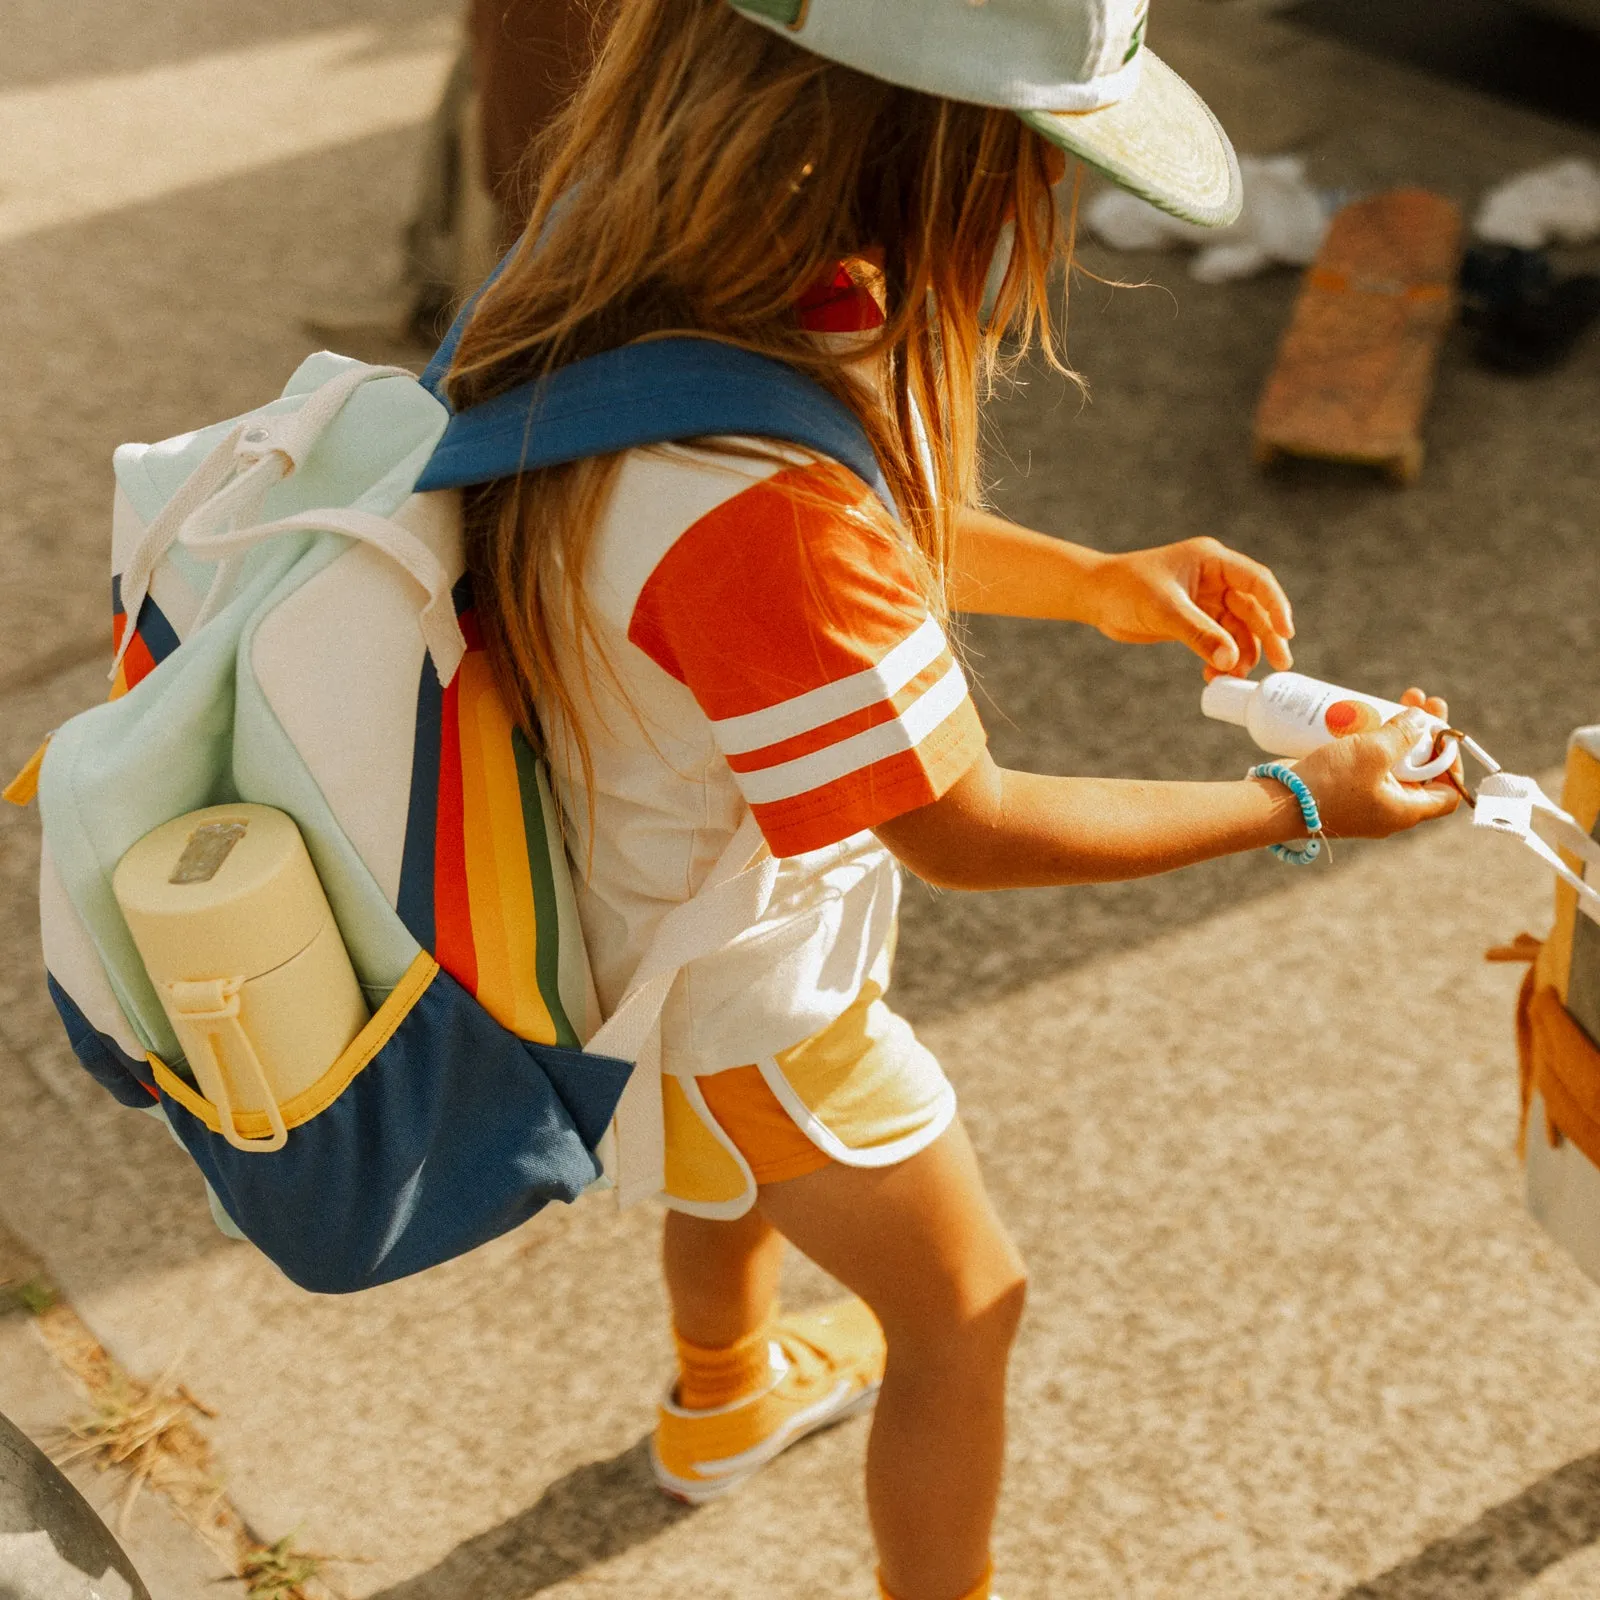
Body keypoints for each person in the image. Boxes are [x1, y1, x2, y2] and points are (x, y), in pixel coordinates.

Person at [444, 3, 1461, 1596]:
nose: (1045, 216)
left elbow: (821, 534)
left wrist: (1092, 584)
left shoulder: (640, 290)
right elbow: (961, 823)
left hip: (630, 922)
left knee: (721, 1167)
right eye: (1038, 166)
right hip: (749, 997)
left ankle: (722, 1397)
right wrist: (1300, 805)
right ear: (939, 163)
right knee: (965, 1307)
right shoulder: (769, 515)